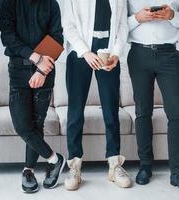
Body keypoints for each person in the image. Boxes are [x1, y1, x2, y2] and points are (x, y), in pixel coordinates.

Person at [127, 0, 179, 195]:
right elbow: (118, 24)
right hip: (139, 54)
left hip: (169, 55)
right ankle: (145, 166)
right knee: (142, 112)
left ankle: (178, 173)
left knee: (177, 114)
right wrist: (137, 18)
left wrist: (172, 16)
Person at [0, 0, 65, 193]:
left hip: (45, 71)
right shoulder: (8, 2)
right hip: (18, 70)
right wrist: (35, 58)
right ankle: (54, 159)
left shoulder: (51, 3)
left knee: (37, 125)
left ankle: (29, 170)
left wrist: (41, 72)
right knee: (22, 126)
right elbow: (8, 36)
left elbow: (57, 38)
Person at [63, 0, 131, 190]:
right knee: (75, 113)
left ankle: (114, 165)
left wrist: (116, 53)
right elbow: (68, 24)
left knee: (111, 111)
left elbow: (123, 25)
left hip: (108, 53)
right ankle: (74, 167)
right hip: (79, 53)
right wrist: (85, 52)